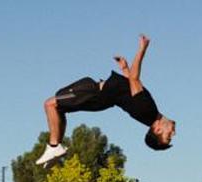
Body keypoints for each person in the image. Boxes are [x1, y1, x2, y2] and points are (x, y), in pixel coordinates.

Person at [35, 34, 176, 167]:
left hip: (94, 94)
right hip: (97, 96)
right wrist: (125, 69)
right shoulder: (150, 114)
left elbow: (134, 79)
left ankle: (54, 147)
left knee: (50, 104)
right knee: (58, 107)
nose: (173, 133)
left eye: (168, 136)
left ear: (157, 128)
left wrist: (142, 49)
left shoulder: (147, 111)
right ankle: (55, 147)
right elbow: (130, 88)